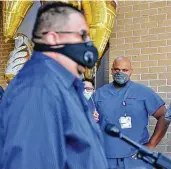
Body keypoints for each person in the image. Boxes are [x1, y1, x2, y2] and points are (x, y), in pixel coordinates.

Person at [0, 2, 108, 169]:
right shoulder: (37, 89)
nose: (89, 42)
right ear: (53, 38)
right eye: (82, 35)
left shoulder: (65, 87)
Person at [93, 56, 170, 169]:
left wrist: (151, 144)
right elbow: (87, 119)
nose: (120, 73)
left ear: (131, 72)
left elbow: (164, 116)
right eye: (117, 69)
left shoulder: (143, 92)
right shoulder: (99, 93)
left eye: (125, 70)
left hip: (136, 158)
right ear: (112, 70)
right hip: (106, 157)